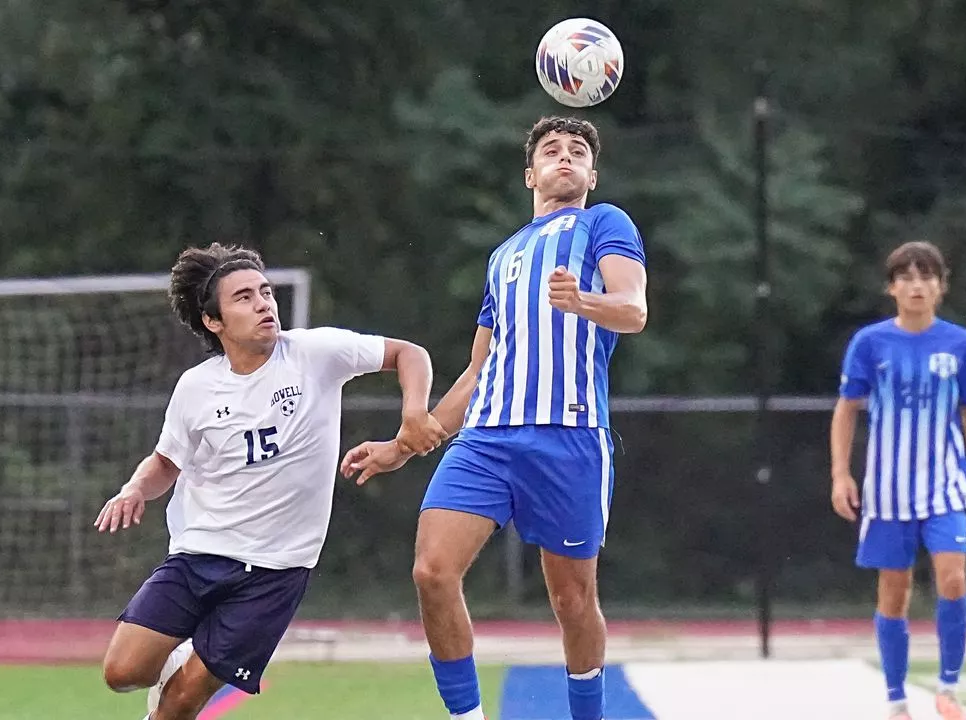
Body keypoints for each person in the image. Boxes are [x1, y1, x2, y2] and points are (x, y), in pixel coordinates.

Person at [341, 116, 648, 720]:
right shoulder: (503, 255)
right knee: (432, 571)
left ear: (592, 172)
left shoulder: (603, 223)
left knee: (572, 598)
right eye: (552, 151)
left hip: (569, 434)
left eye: (578, 151)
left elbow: (633, 310)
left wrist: (583, 301)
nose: (565, 159)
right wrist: (406, 444)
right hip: (485, 439)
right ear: (530, 172)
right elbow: (479, 369)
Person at [95, 242, 447, 720]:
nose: (263, 303)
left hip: (276, 571)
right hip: (200, 553)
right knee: (122, 672)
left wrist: (413, 414)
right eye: (243, 297)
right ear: (213, 321)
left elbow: (409, 354)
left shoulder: (314, 353)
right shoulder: (196, 387)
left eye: (265, 292)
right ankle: (179, 654)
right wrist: (134, 488)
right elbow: (165, 462)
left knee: (179, 703)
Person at [830, 241, 966, 720]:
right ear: (892, 287)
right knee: (894, 592)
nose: (916, 285)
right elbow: (846, 410)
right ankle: (897, 699)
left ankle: (948, 687)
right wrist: (841, 473)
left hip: (945, 486)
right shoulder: (870, 343)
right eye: (906, 277)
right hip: (887, 491)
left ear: (941, 287)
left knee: (953, 577)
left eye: (927, 277)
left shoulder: (960, 344)